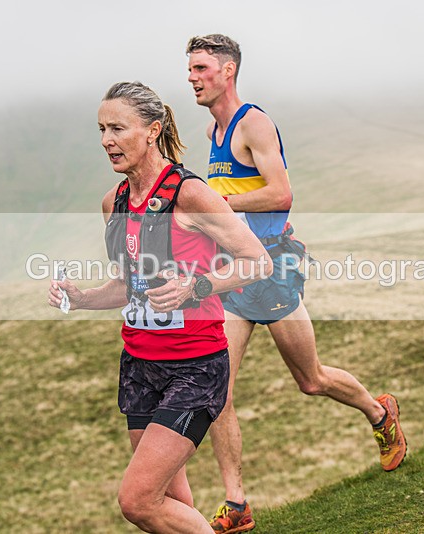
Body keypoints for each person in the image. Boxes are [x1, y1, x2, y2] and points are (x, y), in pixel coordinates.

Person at [186, 34, 407, 533]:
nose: (193, 78)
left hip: (272, 268)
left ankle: (379, 413)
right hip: (234, 273)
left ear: (228, 71)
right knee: (218, 389)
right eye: (190, 70)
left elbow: (281, 194)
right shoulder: (211, 129)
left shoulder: (253, 124)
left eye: (201, 69)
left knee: (311, 380)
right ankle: (236, 504)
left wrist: (218, 206)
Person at [48, 81, 270, 533]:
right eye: (102, 130)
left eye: (118, 128)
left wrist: (198, 286)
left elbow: (258, 261)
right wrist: (82, 298)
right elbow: (128, 286)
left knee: (138, 501)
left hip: (195, 366)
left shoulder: (190, 194)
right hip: (139, 365)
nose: (107, 140)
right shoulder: (113, 202)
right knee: (170, 500)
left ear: (152, 130)